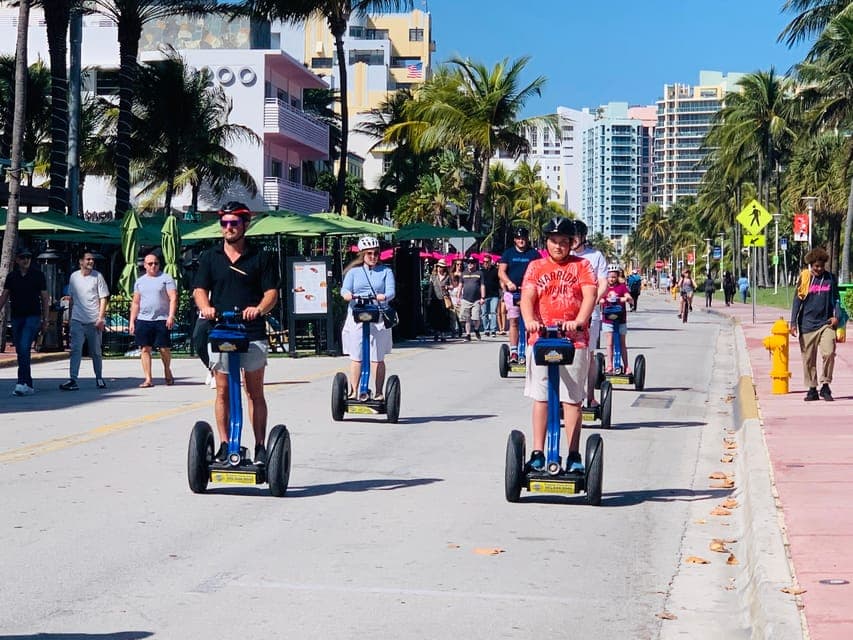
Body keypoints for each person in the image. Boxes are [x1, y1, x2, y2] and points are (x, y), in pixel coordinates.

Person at [193, 201, 279, 465]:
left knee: (254, 392)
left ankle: (261, 446)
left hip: (251, 332)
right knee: (222, 392)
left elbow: (271, 294)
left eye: (234, 223)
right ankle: (225, 443)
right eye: (224, 223)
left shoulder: (260, 256)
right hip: (221, 330)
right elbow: (198, 289)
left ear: (245, 225)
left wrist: (259, 309)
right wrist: (206, 307)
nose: (228, 228)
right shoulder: (210, 257)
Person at [520, 217, 597, 473]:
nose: (558, 246)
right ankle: (538, 452)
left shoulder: (583, 266)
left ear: (571, 243)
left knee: (572, 399)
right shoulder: (535, 266)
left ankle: (574, 455)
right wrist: (530, 320)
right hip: (541, 339)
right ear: (547, 242)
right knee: (541, 398)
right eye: (554, 241)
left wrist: (580, 320)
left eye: (564, 242)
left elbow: (590, 295)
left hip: (573, 341)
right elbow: (527, 297)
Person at [340, 235, 396, 401]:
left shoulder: (386, 271)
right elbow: (344, 290)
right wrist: (348, 295)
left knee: (377, 357)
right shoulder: (353, 272)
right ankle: (354, 391)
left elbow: (391, 292)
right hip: (357, 314)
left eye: (376, 253)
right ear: (362, 254)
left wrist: (383, 296)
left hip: (378, 315)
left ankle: (378, 393)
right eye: (369, 253)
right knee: (356, 356)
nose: (373, 257)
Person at [790, 247, 840, 402]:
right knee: (808, 359)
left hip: (826, 323)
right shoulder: (805, 278)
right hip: (807, 324)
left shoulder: (830, 278)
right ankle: (812, 388)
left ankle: (825, 385)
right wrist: (793, 323)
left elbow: (837, 299)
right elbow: (797, 300)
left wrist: (836, 316)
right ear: (811, 264)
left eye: (821, 266)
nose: (818, 269)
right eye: (816, 266)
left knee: (829, 352)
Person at [0, 246, 50, 396]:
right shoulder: (12, 277)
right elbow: (4, 296)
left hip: (33, 316)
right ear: (16, 260)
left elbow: (45, 298)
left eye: (28, 257)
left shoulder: (37, 275)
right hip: (17, 317)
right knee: (21, 350)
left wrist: (46, 319)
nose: (26, 260)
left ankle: (21, 382)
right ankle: (28, 383)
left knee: (23, 346)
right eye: (23, 257)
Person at [571, 219, 608, 414]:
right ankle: (567, 396)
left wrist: (594, 301)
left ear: (583, 237)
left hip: (590, 314)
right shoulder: (564, 256)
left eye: (576, 236)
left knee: (587, 355)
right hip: (566, 313)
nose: (573, 240)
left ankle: (590, 396)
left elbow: (603, 283)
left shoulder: (595, 256)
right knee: (564, 356)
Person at [60, 250, 110, 391]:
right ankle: (73, 379)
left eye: (92, 259)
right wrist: (70, 318)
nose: (91, 262)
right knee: (76, 350)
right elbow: (72, 299)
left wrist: (101, 318)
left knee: (96, 351)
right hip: (77, 320)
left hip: (93, 321)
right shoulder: (74, 277)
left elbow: (103, 298)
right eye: (88, 259)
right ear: (81, 261)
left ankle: (99, 378)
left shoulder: (97, 277)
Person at [129, 250, 177, 387]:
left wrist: (171, 315)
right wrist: (132, 320)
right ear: (144, 265)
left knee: (164, 348)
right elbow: (136, 302)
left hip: (162, 318)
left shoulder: (166, 278)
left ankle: (167, 370)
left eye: (156, 263)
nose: (153, 266)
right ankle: (148, 378)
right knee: (145, 349)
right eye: (150, 264)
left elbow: (173, 298)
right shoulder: (140, 281)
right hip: (144, 319)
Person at [499, 227, 541, 364]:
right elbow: (501, 272)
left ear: (527, 239)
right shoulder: (508, 253)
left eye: (523, 238)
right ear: (515, 240)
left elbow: (540, 271)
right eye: (518, 238)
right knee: (514, 321)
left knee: (529, 323)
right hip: (513, 293)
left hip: (529, 293)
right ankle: (514, 351)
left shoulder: (533, 254)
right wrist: (508, 283)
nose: (521, 241)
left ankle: (529, 349)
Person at [600, 264, 633, 374]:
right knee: (609, 343)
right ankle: (609, 364)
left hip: (621, 319)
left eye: (614, 277)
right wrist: (600, 300)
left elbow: (628, 296)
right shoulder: (604, 287)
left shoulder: (622, 287)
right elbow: (598, 298)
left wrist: (627, 298)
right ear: (606, 277)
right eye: (610, 277)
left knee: (622, 343)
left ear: (618, 276)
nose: (612, 279)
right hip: (608, 320)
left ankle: (626, 366)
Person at [459, 256, 485, 340]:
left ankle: (476, 329)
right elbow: (460, 285)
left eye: (472, 263)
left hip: (476, 299)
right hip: (465, 299)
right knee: (467, 318)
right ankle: (468, 334)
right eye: (469, 263)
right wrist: (458, 297)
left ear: (475, 264)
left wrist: (483, 297)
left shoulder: (479, 273)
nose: (470, 264)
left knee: (476, 317)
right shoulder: (463, 273)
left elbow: (482, 285)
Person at [426, 259, 452, 342]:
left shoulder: (447, 276)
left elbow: (452, 286)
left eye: (442, 267)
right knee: (436, 317)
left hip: (444, 298)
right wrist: (429, 298)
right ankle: (436, 333)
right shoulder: (433, 276)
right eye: (439, 266)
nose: (440, 268)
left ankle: (443, 334)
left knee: (444, 317)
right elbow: (430, 288)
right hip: (435, 299)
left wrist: (448, 287)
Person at [480, 254, 500, 336]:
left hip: (494, 295)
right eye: (484, 262)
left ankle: (493, 330)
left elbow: (500, 282)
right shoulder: (481, 271)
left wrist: (501, 292)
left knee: (493, 312)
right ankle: (486, 329)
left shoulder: (495, 270)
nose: (485, 263)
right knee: (484, 313)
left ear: (490, 262)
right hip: (484, 295)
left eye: (487, 262)